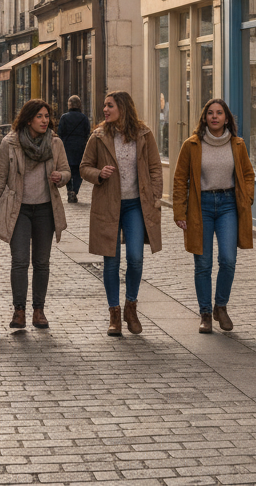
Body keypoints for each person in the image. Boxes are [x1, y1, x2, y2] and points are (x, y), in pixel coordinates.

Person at [80, 90, 163, 337]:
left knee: (136, 257)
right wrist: (99, 174)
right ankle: (114, 313)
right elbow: (84, 167)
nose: (105, 110)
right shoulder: (98, 136)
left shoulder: (144, 134)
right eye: (104, 106)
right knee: (111, 260)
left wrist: (154, 196)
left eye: (110, 106)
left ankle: (131, 307)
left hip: (136, 205)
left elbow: (155, 168)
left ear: (123, 108)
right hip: (108, 205)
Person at [0, 98, 69, 330]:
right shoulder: (10, 143)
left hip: (45, 210)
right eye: (39, 116)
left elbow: (66, 170)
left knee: (41, 262)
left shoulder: (55, 143)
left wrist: (61, 177)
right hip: (18, 209)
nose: (45, 120)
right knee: (20, 261)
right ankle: (19, 310)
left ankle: (38, 310)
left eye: (47, 116)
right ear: (28, 119)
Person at [173, 99, 255, 333]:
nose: (215, 117)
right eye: (210, 113)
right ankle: (206, 314)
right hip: (201, 206)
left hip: (229, 204)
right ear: (205, 117)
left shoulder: (237, 144)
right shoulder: (192, 145)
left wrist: (247, 198)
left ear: (226, 118)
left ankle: (221, 306)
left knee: (228, 259)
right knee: (203, 263)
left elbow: (248, 174)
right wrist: (179, 211)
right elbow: (180, 179)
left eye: (219, 113)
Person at [57, 95, 91, 204]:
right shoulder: (84, 118)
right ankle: (75, 190)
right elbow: (87, 132)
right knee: (78, 171)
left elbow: (60, 133)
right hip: (80, 147)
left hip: (67, 147)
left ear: (69, 105)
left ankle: (69, 189)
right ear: (79, 105)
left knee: (68, 170)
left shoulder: (64, 117)